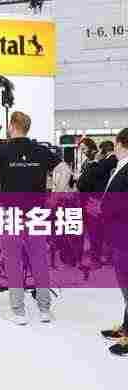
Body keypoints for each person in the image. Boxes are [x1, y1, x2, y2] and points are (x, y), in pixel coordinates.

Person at [0, 111, 58, 325]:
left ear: (12, 126)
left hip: (11, 213)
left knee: (13, 261)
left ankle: (19, 312)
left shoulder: (1, 150)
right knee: (39, 261)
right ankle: (44, 310)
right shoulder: (41, 150)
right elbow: (64, 171)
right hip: (36, 214)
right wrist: (55, 198)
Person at [90, 128, 128, 356]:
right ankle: (126, 328)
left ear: (121, 144)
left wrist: (102, 209)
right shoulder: (121, 166)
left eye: (115, 144)